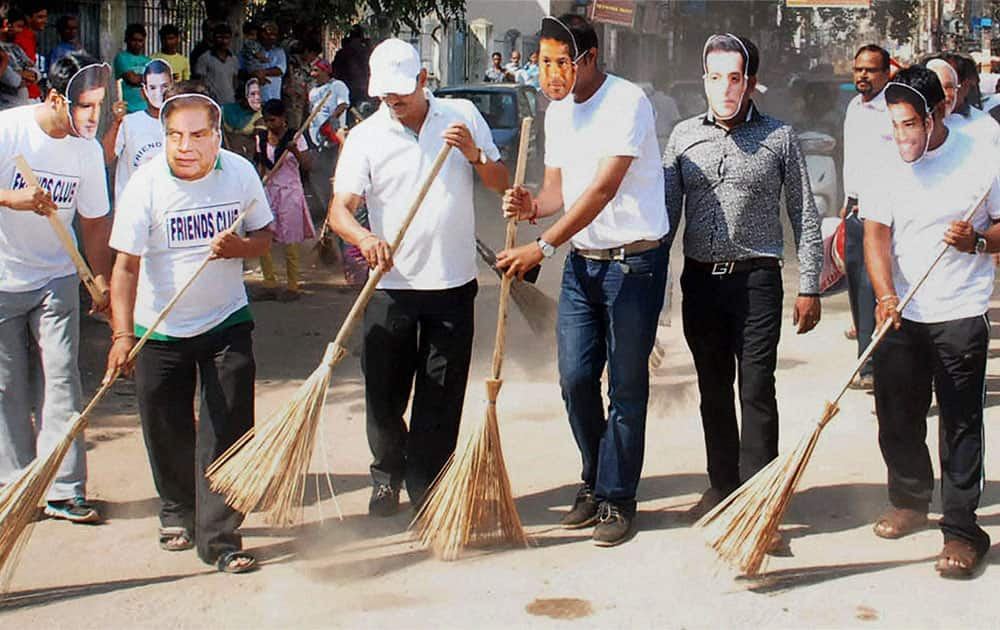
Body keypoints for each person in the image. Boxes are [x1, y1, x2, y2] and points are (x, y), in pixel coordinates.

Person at [496, 15, 669, 547]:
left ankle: (617, 498)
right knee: (574, 380)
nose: (549, 73)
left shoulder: (628, 103)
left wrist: (543, 244)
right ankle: (596, 479)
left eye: (559, 62)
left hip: (633, 266)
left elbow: (600, 192)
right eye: (543, 62)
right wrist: (529, 206)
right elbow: (559, 192)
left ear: (588, 59)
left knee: (625, 386)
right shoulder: (556, 113)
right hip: (584, 266)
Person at [327, 38, 508, 516]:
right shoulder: (367, 136)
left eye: (401, 94)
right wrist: (365, 239)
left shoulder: (462, 115)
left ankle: (430, 486)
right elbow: (339, 211)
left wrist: (473, 154)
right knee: (384, 393)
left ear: (424, 81)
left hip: (451, 285)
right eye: (386, 95)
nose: (394, 103)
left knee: (441, 395)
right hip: (391, 288)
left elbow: (501, 182)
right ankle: (386, 475)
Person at [105, 82, 274, 574]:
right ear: (163, 137)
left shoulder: (240, 174)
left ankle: (220, 537)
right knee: (166, 425)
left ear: (217, 136)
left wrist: (239, 249)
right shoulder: (147, 184)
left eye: (198, 135)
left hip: (226, 320)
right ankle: (178, 509)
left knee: (228, 428)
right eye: (176, 136)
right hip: (159, 327)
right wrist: (122, 335)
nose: (186, 147)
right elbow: (125, 268)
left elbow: (263, 236)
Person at [663, 34, 823, 532]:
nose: (725, 89)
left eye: (735, 78)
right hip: (702, 283)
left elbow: (804, 212)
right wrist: (655, 294)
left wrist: (810, 284)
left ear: (751, 82)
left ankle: (760, 502)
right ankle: (721, 486)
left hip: (758, 280)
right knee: (713, 388)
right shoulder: (682, 137)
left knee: (756, 389)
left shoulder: (779, 137)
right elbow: (666, 221)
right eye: (716, 78)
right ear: (704, 80)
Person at [862, 66, 999, 579]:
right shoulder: (885, 163)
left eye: (910, 125)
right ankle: (910, 499)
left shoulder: (981, 158)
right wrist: (885, 294)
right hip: (905, 312)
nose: (902, 137)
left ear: (938, 112)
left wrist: (979, 242)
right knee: (896, 414)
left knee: (961, 424)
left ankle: (962, 531)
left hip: (959, 310)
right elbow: (876, 235)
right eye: (895, 125)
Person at [0, 53, 114, 524]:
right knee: (7, 385)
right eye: (86, 107)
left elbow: (93, 221)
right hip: (3, 277)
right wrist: (12, 198)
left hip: (57, 276)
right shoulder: (8, 130)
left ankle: (65, 489)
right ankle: (17, 486)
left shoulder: (86, 151)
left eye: (99, 106)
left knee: (64, 376)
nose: (94, 117)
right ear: (54, 98)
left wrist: (101, 278)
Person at [841, 44, 893, 391]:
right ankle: (866, 359)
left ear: (886, 74)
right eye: (858, 69)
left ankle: (876, 364)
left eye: (871, 70)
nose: (863, 75)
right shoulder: (853, 108)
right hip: (854, 209)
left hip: (882, 212)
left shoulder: (894, 109)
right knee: (856, 286)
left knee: (874, 289)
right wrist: (847, 201)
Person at [250, 98, 314, 302]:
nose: (270, 125)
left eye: (273, 120)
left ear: (283, 119)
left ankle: (293, 285)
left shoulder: (295, 136)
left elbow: (307, 166)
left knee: (289, 239)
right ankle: (269, 282)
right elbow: (261, 165)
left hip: (290, 193)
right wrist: (257, 187)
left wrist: (294, 150)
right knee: (265, 234)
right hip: (269, 190)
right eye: (267, 121)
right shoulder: (261, 138)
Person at [103, 59, 172, 205]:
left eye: (164, 86)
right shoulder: (129, 123)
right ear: (144, 91)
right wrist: (116, 122)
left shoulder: (181, 125)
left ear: (172, 87)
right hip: (132, 208)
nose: (159, 93)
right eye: (152, 87)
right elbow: (106, 158)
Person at [194, 22, 238, 106]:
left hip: (230, 103)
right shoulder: (205, 58)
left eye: (227, 38)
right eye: (220, 37)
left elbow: (234, 81)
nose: (223, 41)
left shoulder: (233, 59)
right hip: (211, 103)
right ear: (213, 38)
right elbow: (200, 82)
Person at [222, 77, 263, 161]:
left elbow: (260, 139)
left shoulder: (259, 114)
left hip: (247, 157)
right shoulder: (224, 110)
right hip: (226, 155)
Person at [114, 24, 152, 114]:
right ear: (127, 40)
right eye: (134, 40)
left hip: (146, 109)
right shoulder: (121, 58)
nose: (137, 44)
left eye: (140, 41)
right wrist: (149, 78)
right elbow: (132, 79)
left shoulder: (148, 60)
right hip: (128, 109)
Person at [0, 10, 33, 109]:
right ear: (6, 24)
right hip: (5, 107)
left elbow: (35, 71)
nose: (20, 31)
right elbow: (12, 80)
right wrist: (21, 75)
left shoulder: (16, 48)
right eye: (19, 26)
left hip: (22, 105)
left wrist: (21, 73)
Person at [12, 2, 44, 101]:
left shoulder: (30, 37)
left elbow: (32, 68)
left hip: (32, 92)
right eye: (40, 17)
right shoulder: (20, 38)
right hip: (23, 96)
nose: (44, 21)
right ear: (28, 18)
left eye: (45, 17)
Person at [251, 22, 286, 103]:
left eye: (274, 34)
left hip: (274, 97)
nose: (271, 37)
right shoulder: (252, 50)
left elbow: (280, 70)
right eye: (267, 33)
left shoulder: (279, 51)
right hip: (255, 99)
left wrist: (262, 72)